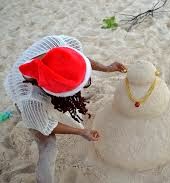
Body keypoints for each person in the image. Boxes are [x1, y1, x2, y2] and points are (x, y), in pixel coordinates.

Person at [4, 35, 126, 183]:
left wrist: (106, 68)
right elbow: (48, 126)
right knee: (48, 146)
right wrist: (81, 132)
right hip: (22, 91)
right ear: (57, 93)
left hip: (41, 84)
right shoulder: (31, 100)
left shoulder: (60, 45)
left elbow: (80, 61)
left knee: (64, 105)